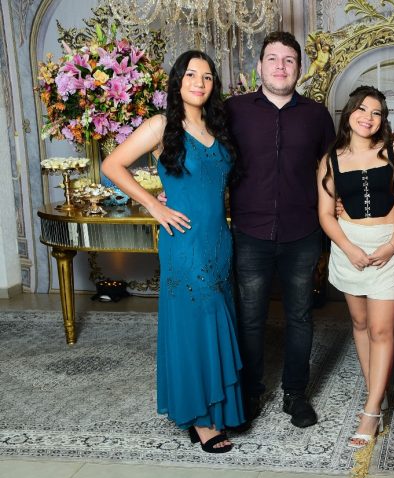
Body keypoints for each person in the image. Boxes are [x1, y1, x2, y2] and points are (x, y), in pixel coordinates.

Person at [102, 50, 243, 453]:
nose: (200, 82)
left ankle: (217, 408)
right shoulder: (161, 125)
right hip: (184, 241)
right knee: (196, 321)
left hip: (219, 240)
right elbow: (111, 166)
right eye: (191, 75)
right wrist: (154, 205)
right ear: (178, 81)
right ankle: (199, 417)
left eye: (208, 76)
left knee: (216, 317)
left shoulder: (218, 128)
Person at [225, 31, 336, 429]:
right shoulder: (233, 110)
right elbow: (206, 154)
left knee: (300, 317)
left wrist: (339, 205)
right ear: (259, 66)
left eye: (288, 60)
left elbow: (331, 168)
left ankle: (295, 394)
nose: (280, 66)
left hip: (302, 232)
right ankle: (250, 392)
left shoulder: (317, 115)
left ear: (299, 68)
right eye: (273, 58)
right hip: (249, 231)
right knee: (250, 318)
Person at [317, 86, 394, 448]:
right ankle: (377, 392)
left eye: (376, 112)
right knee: (359, 323)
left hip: (389, 244)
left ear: (382, 119)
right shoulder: (331, 159)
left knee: (382, 329)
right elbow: (326, 214)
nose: (367, 117)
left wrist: (392, 245)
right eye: (361, 109)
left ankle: (371, 411)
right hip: (348, 246)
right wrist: (349, 248)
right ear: (349, 113)